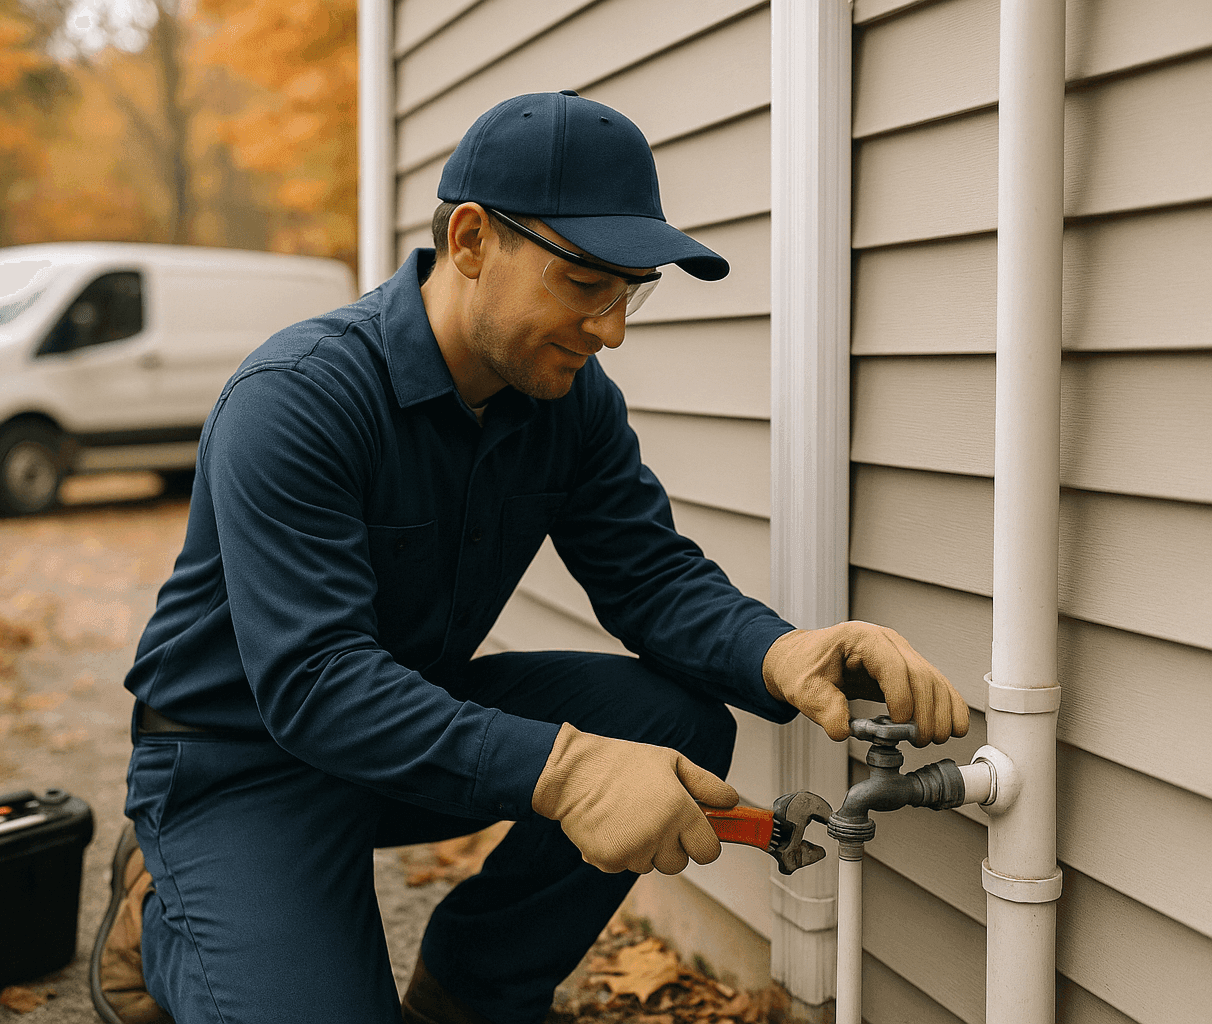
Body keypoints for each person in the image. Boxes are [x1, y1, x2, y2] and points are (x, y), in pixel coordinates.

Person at [89, 90, 970, 1024]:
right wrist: (567, 770)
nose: (612, 327)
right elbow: (314, 679)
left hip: (397, 736)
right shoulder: (298, 399)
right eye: (587, 282)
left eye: (631, 290)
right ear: (471, 241)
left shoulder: (571, 402)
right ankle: (164, 902)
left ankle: (476, 992)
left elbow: (650, 576)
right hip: (238, 760)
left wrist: (782, 653)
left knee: (671, 721)